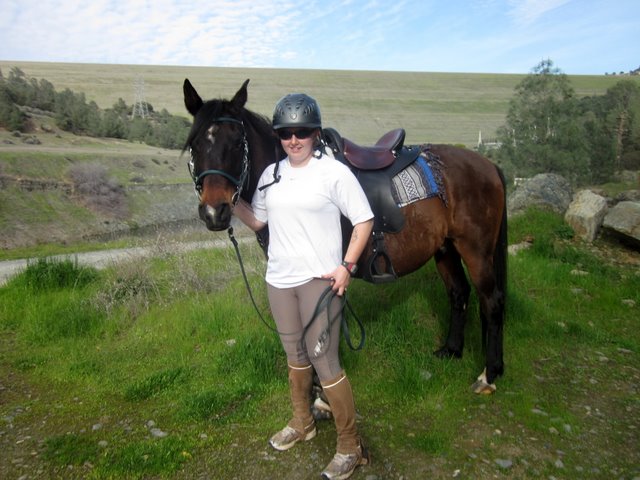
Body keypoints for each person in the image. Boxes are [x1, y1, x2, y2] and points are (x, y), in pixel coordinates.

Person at [233, 92, 374, 479]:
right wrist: (231, 201)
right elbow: (259, 221)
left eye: (302, 132)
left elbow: (363, 221)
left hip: (320, 282)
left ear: (315, 133)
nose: (293, 140)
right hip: (279, 281)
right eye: (286, 133)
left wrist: (347, 266)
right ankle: (303, 422)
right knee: (295, 356)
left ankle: (350, 446)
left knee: (325, 361)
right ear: (278, 135)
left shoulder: (333, 173)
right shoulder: (270, 175)